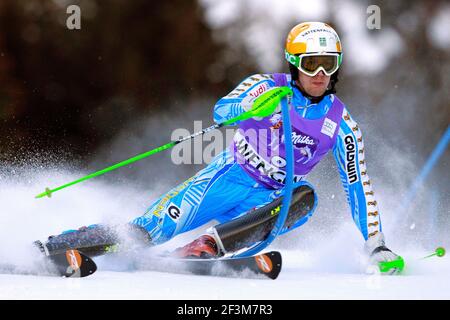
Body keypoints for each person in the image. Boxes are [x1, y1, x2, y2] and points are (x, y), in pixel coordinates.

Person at [38, 22, 401, 274]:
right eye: (310, 63)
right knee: (145, 232)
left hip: (268, 201)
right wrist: (250, 107)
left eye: (329, 64)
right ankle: (57, 247)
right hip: (228, 176)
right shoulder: (267, 86)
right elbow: (222, 110)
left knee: (305, 197)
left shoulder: (342, 123)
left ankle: (207, 248)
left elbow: (358, 183)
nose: (320, 73)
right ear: (294, 64)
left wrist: (376, 243)